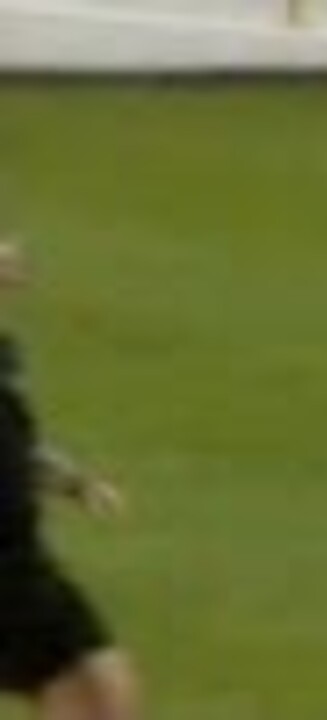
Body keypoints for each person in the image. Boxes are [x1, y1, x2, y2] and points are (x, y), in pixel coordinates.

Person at [0, 240, 141, 720]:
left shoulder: (5, 355)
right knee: (93, 687)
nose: (14, 258)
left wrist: (76, 483)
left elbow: (16, 448)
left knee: (105, 687)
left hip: (23, 557)